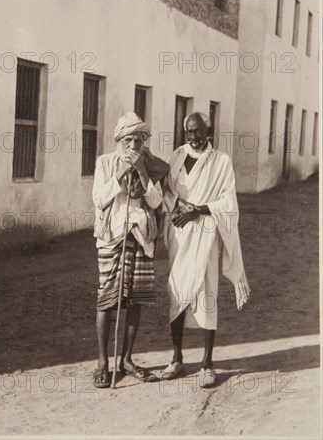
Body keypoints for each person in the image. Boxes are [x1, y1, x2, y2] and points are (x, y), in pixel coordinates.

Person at [161, 112, 250, 387]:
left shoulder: (221, 161)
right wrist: (179, 208)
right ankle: (176, 358)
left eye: (198, 132)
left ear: (208, 130)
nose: (193, 137)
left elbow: (228, 203)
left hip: (206, 233)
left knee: (206, 294)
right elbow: (166, 189)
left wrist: (197, 210)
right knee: (177, 293)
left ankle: (207, 364)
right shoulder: (177, 155)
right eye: (188, 132)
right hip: (180, 234)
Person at [92, 112, 169, 388]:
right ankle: (103, 362)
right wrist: (123, 172)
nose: (133, 145)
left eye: (139, 139)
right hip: (112, 236)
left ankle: (126, 359)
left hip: (141, 236)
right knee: (107, 299)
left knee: (136, 299)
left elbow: (156, 202)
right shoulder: (105, 163)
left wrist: (140, 171)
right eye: (128, 139)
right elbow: (100, 199)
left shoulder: (151, 164)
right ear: (119, 140)